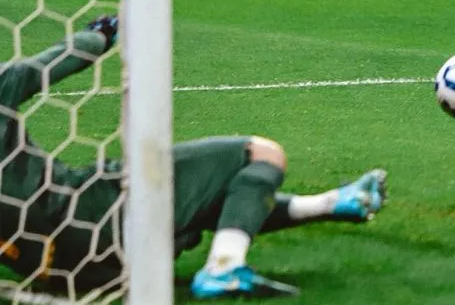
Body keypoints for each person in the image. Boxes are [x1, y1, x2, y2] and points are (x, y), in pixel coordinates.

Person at [0, 16, 387, 300]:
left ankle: (334, 203)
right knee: (260, 153)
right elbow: (48, 65)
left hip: (57, 271)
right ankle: (224, 268)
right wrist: (100, 33)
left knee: (204, 193)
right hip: (99, 224)